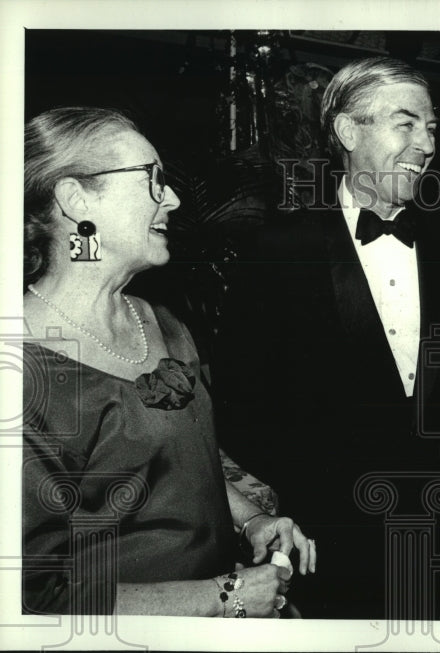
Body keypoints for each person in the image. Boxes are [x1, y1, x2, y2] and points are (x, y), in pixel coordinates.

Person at [21, 107, 316, 617]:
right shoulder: (23, 374)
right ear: (75, 199)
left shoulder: (162, 322)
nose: (173, 198)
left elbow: (177, 467)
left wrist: (251, 522)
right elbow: (37, 600)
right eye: (152, 180)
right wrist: (226, 598)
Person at [212, 57, 440, 620]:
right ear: (349, 132)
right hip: (324, 537)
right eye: (407, 124)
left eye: (431, 128)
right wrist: (311, 487)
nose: (425, 144)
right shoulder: (278, 252)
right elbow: (236, 401)